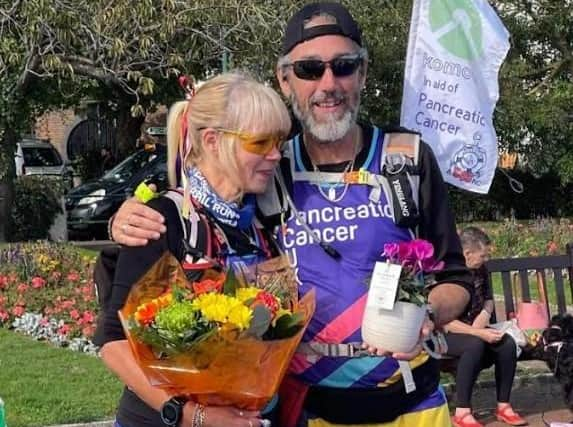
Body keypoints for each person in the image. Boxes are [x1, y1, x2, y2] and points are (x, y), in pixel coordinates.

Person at [108, 3, 472, 425]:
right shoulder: (267, 168)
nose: (328, 83)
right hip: (307, 411)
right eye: (309, 70)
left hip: (412, 404)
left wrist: (426, 315)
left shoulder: (406, 159)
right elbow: (199, 191)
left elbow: (456, 278)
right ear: (284, 80)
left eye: (345, 66)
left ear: (364, 74)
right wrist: (127, 216)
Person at [93, 72, 291, 427]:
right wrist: (188, 415)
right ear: (212, 141)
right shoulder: (161, 219)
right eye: (260, 142)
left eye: (281, 140)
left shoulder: (263, 217)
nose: (276, 154)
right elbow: (112, 342)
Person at [445, 227, 527, 427]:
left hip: (475, 330)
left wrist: (484, 314)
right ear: (467, 254)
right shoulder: (446, 272)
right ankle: (463, 412)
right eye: (483, 255)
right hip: (448, 335)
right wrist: (477, 332)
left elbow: (489, 298)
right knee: (475, 344)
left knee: (506, 343)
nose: (486, 259)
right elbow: (442, 320)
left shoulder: (481, 269)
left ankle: (504, 406)